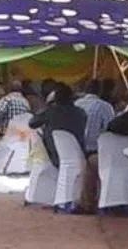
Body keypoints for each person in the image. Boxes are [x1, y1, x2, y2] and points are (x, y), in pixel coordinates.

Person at [34, 82, 89, 211]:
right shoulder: (81, 112)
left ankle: (61, 199)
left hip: (53, 155)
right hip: (78, 155)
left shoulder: (51, 111)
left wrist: (48, 107)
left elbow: (33, 123)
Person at [75, 80, 116, 152]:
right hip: (97, 150)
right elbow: (111, 129)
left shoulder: (75, 104)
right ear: (100, 91)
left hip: (76, 149)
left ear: (85, 90)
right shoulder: (105, 106)